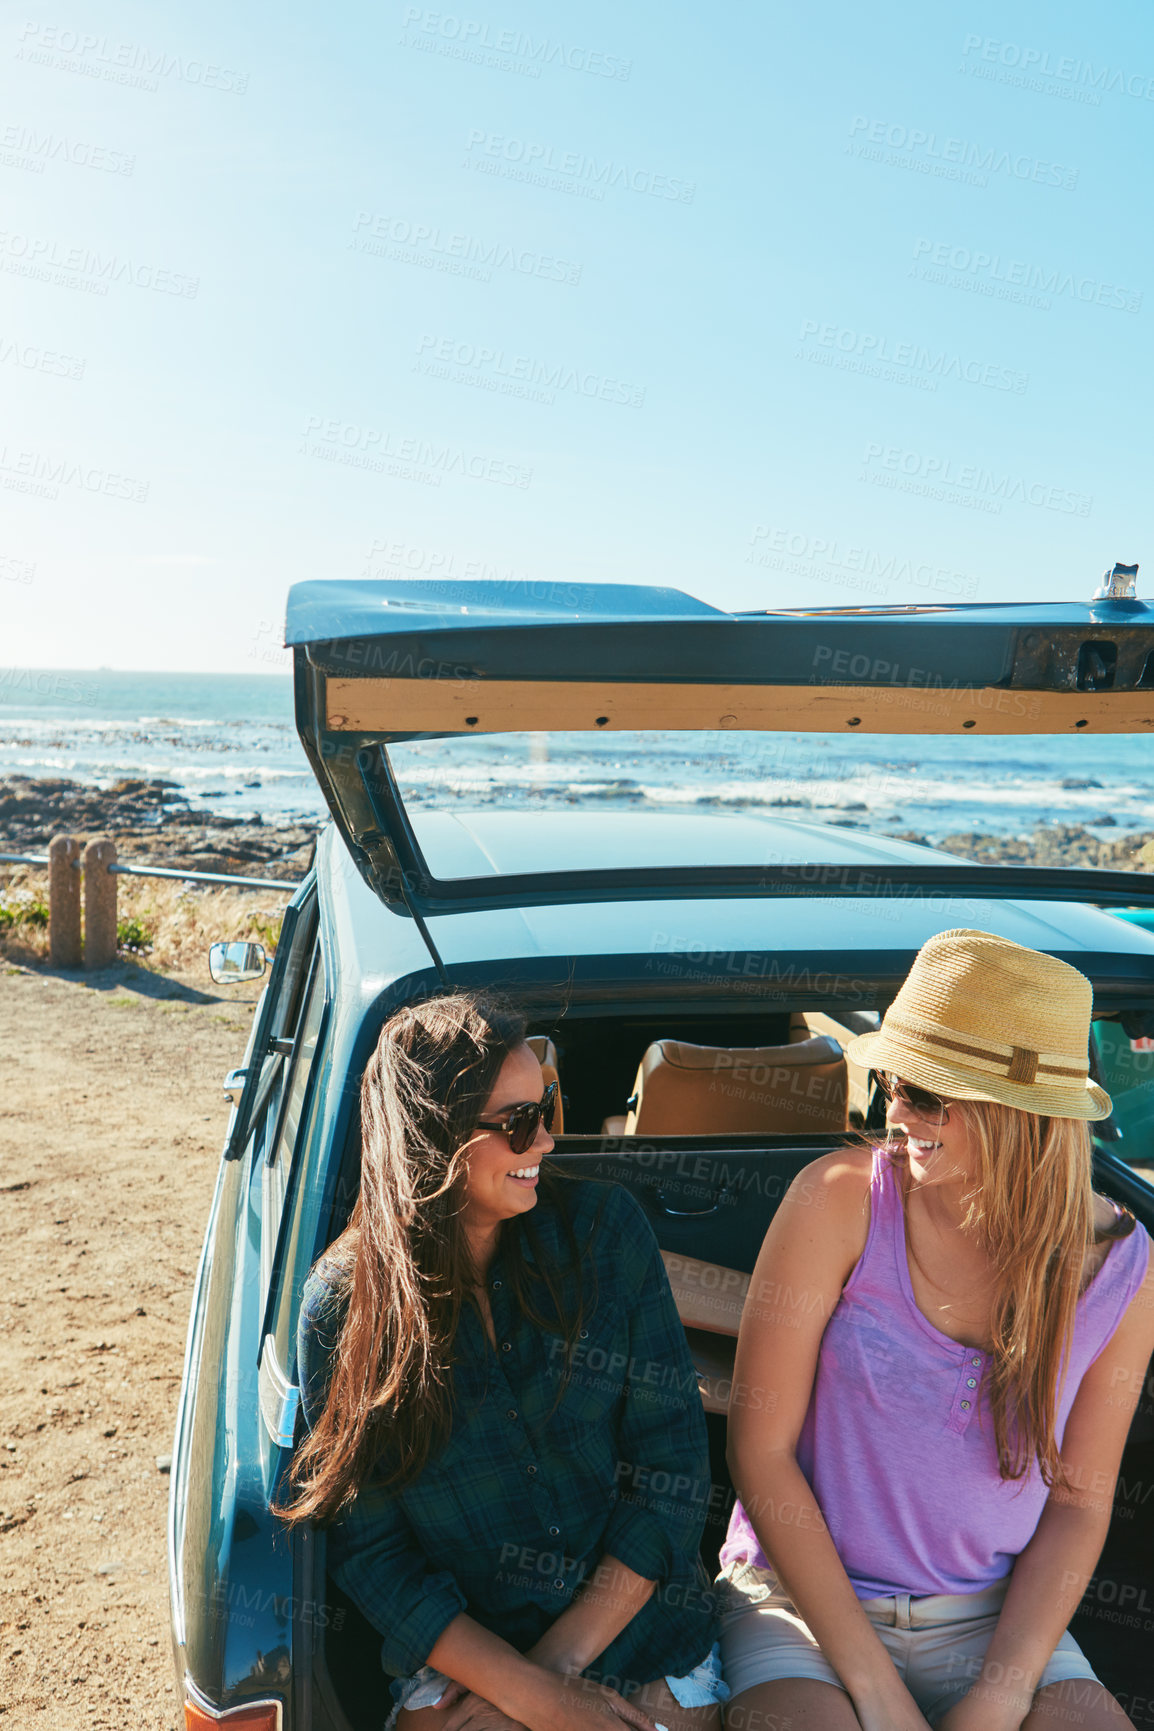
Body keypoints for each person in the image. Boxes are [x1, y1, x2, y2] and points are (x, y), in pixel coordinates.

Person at [719, 928, 1154, 1731]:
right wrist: (879, 1696)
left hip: (999, 1620)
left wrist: (1001, 1691)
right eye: (890, 1080)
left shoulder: (1125, 1267)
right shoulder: (841, 1198)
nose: (895, 1112)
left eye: (926, 1092)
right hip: (802, 1604)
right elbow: (760, 1451)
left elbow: (1080, 1503)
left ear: (1019, 1115)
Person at [277, 991, 726, 1731]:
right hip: (464, 1668)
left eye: (547, 1105)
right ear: (435, 1138)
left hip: (645, 1636)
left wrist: (546, 1683)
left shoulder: (607, 1233)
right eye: (519, 1122)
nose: (547, 1140)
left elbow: (671, 1475)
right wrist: (531, 1697)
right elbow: (374, 1553)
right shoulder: (343, 1309)